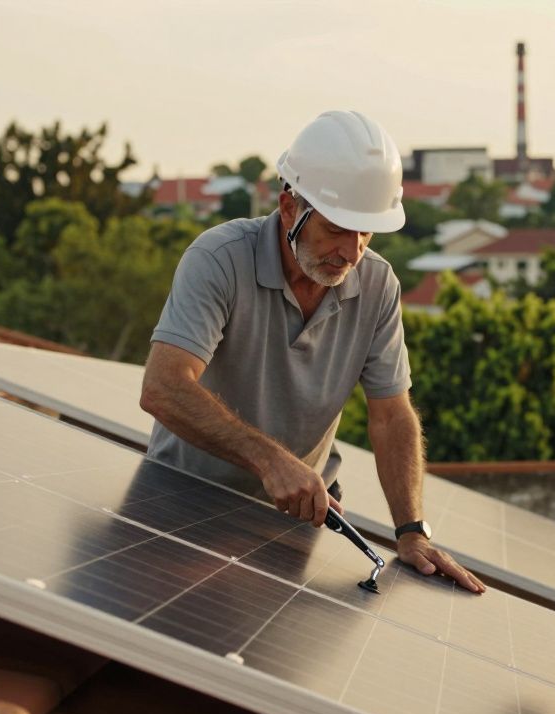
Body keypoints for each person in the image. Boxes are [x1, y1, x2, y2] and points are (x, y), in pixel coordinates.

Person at [140, 110, 484, 594]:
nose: (352, 251)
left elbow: (391, 415)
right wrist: (270, 461)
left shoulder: (378, 285)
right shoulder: (218, 260)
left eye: (366, 233)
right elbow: (163, 386)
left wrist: (410, 530)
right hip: (182, 501)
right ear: (288, 207)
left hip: (296, 519)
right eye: (337, 228)